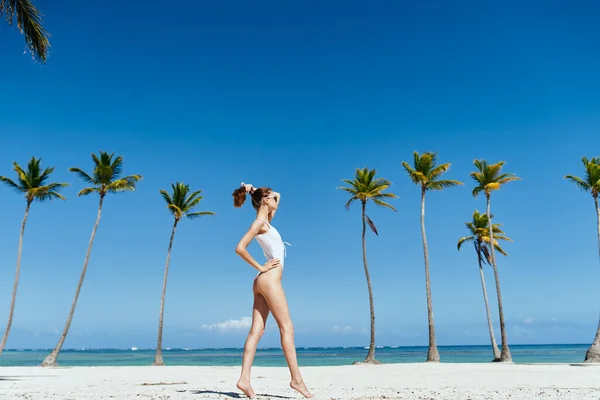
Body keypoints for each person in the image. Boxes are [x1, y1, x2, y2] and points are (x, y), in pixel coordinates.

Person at [232, 182, 313, 399]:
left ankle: (244, 380)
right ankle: (296, 380)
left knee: (256, 331)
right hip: (268, 279)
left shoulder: (267, 221)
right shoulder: (260, 223)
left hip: (261, 283)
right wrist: (260, 267)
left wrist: (252, 190)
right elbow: (240, 248)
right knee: (287, 328)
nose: (275, 199)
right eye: (270, 198)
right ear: (266, 201)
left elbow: (278, 194)